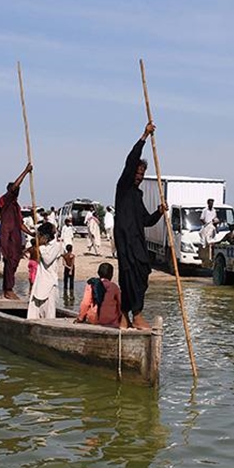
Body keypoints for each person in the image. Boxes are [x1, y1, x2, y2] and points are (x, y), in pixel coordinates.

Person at [114, 122, 166, 330]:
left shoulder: (138, 194)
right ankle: (133, 315)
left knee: (142, 273)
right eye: (138, 172)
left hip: (137, 241)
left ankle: (127, 314)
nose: (139, 176)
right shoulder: (124, 187)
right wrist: (144, 136)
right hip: (126, 240)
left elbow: (146, 220)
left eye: (142, 174)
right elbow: (131, 160)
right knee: (128, 274)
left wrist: (160, 212)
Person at [0, 162, 33, 300]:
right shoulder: (4, 200)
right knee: (9, 261)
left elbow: (20, 224)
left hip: (15, 237)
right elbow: (14, 187)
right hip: (7, 236)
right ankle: (8, 290)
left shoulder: (16, 206)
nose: (17, 191)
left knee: (14, 262)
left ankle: (8, 288)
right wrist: (25, 171)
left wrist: (31, 233)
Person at [28, 223, 64, 320]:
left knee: (49, 312)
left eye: (40, 235)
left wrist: (41, 247)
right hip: (40, 281)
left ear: (45, 236)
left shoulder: (56, 246)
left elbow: (47, 260)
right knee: (35, 310)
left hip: (49, 282)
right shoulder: (43, 246)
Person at [75, 262, 122, 328]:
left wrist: (80, 317)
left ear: (98, 273)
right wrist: (121, 318)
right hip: (111, 319)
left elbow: (85, 303)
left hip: (94, 319)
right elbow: (120, 305)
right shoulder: (114, 287)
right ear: (111, 275)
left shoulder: (91, 285)